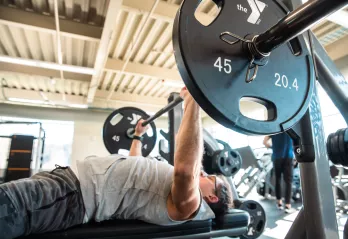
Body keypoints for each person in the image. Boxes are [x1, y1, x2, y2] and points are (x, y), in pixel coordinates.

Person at [0, 87, 233, 239]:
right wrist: (138, 136)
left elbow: (185, 170)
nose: (202, 173)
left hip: (75, 195)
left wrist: (194, 101)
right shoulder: (174, 191)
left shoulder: (190, 206)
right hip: (70, 184)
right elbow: (134, 165)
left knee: (7, 204)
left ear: (212, 197)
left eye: (208, 178)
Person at [263, 132, 295, 213]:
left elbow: (264, 142)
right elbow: (296, 140)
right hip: (288, 156)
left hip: (277, 157)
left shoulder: (273, 129)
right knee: (289, 182)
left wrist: (272, 147)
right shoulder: (290, 127)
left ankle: (279, 202)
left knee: (278, 179)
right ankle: (288, 204)